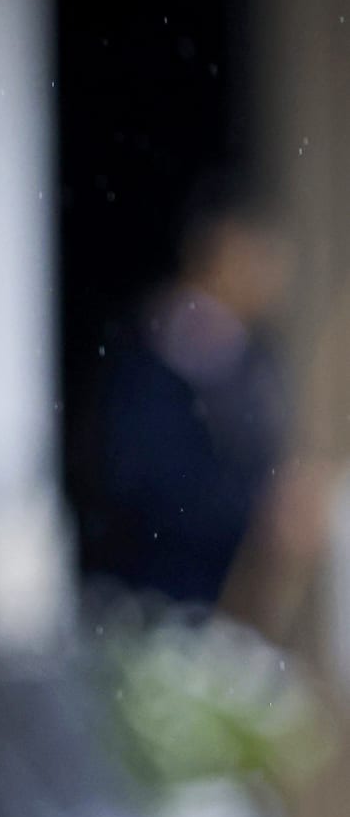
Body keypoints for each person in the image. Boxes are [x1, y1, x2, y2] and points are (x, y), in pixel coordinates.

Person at [80, 188, 296, 608]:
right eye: (254, 257)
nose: (269, 276)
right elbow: (146, 478)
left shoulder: (254, 356)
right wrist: (256, 509)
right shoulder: (155, 353)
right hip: (160, 592)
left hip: (232, 596)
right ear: (214, 258)